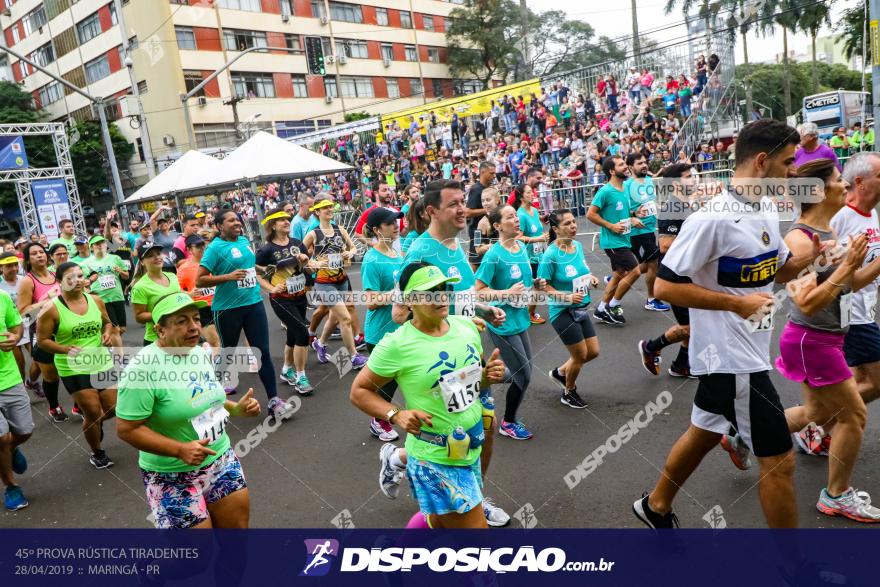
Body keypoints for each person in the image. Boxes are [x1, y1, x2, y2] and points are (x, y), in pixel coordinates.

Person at [632, 119, 819, 529]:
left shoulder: (767, 207)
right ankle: (795, 569)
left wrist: (824, 258)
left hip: (747, 352)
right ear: (761, 160)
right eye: (788, 163)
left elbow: (778, 271)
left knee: (702, 432)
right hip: (733, 361)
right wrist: (734, 307)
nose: (793, 173)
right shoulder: (712, 218)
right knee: (781, 463)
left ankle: (655, 505)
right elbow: (664, 285)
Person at [350, 262, 506, 528]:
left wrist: (486, 376)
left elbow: (467, 385)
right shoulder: (396, 344)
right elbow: (359, 391)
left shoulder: (466, 327)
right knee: (476, 538)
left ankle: (398, 561)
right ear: (409, 300)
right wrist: (396, 414)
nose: (441, 296)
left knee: (437, 520)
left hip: (469, 447)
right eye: (429, 292)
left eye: (444, 288)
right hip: (432, 457)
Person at [401, 179, 510, 527]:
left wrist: (481, 310)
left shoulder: (453, 245)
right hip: (442, 362)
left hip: (471, 353)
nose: (463, 209)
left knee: (485, 430)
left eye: (464, 201)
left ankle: (475, 494)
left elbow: (458, 298)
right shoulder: (419, 253)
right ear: (431, 210)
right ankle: (454, 505)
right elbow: (400, 312)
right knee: (453, 437)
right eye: (454, 204)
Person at [776, 158, 880, 522]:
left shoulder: (829, 235)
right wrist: (848, 266)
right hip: (812, 339)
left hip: (826, 337)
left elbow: (847, 288)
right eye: (839, 180)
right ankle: (836, 495)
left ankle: (744, 432)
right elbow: (804, 300)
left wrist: (863, 265)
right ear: (819, 191)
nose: (845, 186)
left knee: (818, 413)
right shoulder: (801, 240)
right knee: (854, 415)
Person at [116, 292, 261, 529]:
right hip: (172, 476)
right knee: (196, 557)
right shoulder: (141, 370)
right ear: (160, 330)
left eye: (196, 318)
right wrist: (179, 449)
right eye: (182, 321)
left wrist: (237, 410)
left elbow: (206, 398)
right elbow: (126, 429)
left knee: (236, 535)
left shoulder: (198, 353)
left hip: (220, 459)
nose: (194, 327)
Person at [197, 210, 291, 420]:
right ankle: (211, 400)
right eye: (231, 221)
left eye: (237, 219)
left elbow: (248, 265)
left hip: (253, 304)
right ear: (220, 226)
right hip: (227, 309)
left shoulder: (243, 240)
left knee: (262, 352)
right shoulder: (214, 249)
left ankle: (274, 400)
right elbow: (200, 280)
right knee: (227, 354)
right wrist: (228, 277)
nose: (237, 223)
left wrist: (261, 268)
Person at [824, 153, 880, 453]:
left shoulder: (871, 212)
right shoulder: (841, 216)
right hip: (849, 312)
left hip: (864, 309)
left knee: (859, 378)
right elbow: (829, 270)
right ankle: (815, 426)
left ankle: (827, 425)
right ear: (860, 181)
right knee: (877, 381)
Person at [37, 261, 116, 469]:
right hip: (72, 365)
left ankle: (95, 425)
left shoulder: (96, 300)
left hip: (100, 361)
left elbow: (107, 322)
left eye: (80, 276)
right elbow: (42, 340)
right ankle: (97, 452)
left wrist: (107, 334)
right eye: (71, 278)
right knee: (92, 411)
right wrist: (65, 349)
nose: (77, 281)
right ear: (60, 282)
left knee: (111, 409)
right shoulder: (51, 309)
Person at [475, 205, 536, 438]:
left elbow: (525, 283)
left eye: (516, 215)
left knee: (524, 371)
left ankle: (484, 378)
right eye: (510, 217)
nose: (516, 219)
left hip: (520, 319)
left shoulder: (520, 247)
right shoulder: (493, 255)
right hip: (502, 323)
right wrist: (506, 293)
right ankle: (508, 423)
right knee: (525, 375)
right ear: (498, 225)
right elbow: (478, 291)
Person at [638, 163, 697, 379]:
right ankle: (651, 347)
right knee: (691, 326)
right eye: (689, 176)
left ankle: (681, 366)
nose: (694, 180)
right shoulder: (672, 207)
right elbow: (665, 245)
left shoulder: (687, 205)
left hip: (688, 274)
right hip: (674, 277)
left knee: (693, 325)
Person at [538, 209, 599, 409]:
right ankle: (569, 391)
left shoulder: (578, 246)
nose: (573, 226)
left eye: (574, 222)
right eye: (567, 224)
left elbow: (583, 269)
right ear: (556, 228)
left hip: (580, 307)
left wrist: (591, 277)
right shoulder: (550, 255)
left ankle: (560, 372)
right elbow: (542, 286)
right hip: (562, 312)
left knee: (593, 352)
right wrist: (566, 296)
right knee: (580, 355)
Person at [304, 198, 367, 369]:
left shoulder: (340, 229)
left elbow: (354, 248)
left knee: (333, 317)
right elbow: (300, 256)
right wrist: (312, 263)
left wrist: (349, 252)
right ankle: (354, 357)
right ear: (317, 212)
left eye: (331, 207)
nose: (329, 210)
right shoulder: (313, 234)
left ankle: (320, 343)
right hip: (324, 282)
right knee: (345, 318)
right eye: (325, 208)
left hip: (341, 279)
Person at [255, 211, 314, 395]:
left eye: (288, 219)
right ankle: (300, 377)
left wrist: (306, 262)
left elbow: (308, 269)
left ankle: (286, 369)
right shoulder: (266, 250)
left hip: (300, 295)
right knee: (303, 333)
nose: (286, 222)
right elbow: (257, 274)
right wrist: (271, 289)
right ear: (273, 225)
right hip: (281, 300)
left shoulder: (297, 243)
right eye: (282, 220)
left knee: (293, 335)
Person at [361, 208, 405, 442]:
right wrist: (396, 293)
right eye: (389, 223)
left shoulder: (398, 254)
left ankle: (382, 418)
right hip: (380, 333)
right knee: (386, 383)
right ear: (377, 230)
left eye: (396, 221)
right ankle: (379, 421)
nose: (396, 225)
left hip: (402, 329)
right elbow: (370, 302)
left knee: (399, 377)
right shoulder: (372, 259)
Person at [587, 156, 642, 325]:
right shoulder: (605, 192)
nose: (626, 167)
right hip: (613, 241)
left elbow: (624, 213)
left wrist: (632, 218)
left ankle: (602, 309)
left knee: (618, 275)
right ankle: (613, 304)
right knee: (636, 271)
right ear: (611, 171)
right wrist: (610, 226)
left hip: (624, 239)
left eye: (625, 163)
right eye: (621, 165)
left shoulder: (625, 188)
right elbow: (590, 214)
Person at [17, 243, 66, 421]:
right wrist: (46, 300)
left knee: (72, 367)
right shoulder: (27, 281)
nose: (39, 255)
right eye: (34, 254)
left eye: (41, 252)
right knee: (51, 373)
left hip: (64, 328)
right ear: (28, 260)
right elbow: (24, 313)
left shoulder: (56, 275)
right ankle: (54, 407)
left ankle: (79, 404)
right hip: (41, 331)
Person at [625, 153, 669, 312]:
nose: (644, 165)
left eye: (645, 162)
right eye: (639, 163)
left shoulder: (649, 180)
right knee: (653, 263)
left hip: (650, 229)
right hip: (636, 231)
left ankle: (621, 276)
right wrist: (633, 216)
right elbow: (622, 210)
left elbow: (650, 202)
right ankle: (651, 299)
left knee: (647, 263)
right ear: (630, 167)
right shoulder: (627, 185)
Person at [0, 285, 31, 511]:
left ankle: (11, 449)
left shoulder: (1, 297)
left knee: (24, 431)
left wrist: (15, 336)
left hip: (9, 377)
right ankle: (11, 486)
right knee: (0, 438)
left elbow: (16, 325)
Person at [80, 236, 129, 350]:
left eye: (102, 242)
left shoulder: (115, 258)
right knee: (115, 328)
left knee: (122, 328)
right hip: (101, 298)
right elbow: (85, 282)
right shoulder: (86, 263)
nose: (100, 245)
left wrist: (120, 271)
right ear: (91, 247)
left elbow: (126, 276)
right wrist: (88, 283)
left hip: (117, 295)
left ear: (106, 245)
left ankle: (109, 340)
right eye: (96, 244)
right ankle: (120, 358)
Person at [175, 234, 220, 353]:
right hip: (202, 308)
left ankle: (208, 352)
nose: (202, 248)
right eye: (198, 246)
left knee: (223, 341)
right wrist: (188, 294)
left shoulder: (213, 262)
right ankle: (218, 370)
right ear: (189, 249)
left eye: (203, 245)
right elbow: (175, 290)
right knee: (215, 341)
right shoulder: (184, 268)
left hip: (219, 304)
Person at [131, 243, 181, 347]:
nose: (157, 257)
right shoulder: (140, 287)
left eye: (158, 253)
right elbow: (139, 317)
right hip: (156, 340)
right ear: (142, 262)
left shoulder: (172, 276)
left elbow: (177, 296)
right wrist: (166, 314)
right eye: (150, 255)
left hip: (179, 335)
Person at [513, 184, 548, 325]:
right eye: (528, 193)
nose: (532, 194)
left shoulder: (533, 209)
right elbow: (518, 237)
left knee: (538, 285)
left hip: (540, 254)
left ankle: (527, 312)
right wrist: (538, 239)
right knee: (536, 286)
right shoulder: (520, 214)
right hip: (528, 257)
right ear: (521, 196)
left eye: (532, 192)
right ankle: (529, 313)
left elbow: (538, 229)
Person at [0, 253, 31, 390]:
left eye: (15, 265)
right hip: (11, 329)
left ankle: (32, 382)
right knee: (20, 363)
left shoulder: (24, 280)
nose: (13, 268)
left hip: (28, 324)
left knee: (38, 358)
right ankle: (21, 389)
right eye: (8, 266)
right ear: (1, 268)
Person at [466, 162, 495, 264]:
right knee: (476, 261)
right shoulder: (476, 189)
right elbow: (467, 212)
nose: (494, 176)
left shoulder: (490, 188)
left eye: (494, 173)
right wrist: (488, 209)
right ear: (482, 172)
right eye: (491, 173)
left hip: (490, 231)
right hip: (476, 232)